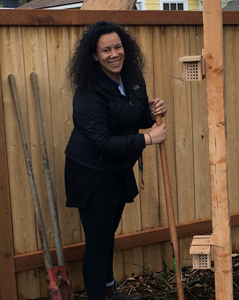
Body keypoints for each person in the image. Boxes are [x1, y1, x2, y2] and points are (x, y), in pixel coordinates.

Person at [64, 21, 167, 300]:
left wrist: (155, 109)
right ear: (95, 56)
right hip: (90, 173)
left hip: (117, 169)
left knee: (108, 236)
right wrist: (148, 139)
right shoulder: (88, 91)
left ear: (125, 47)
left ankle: (109, 294)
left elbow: (141, 119)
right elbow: (102, 142)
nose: (114, 54)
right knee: (98, 242)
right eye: (106, 50)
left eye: (118, 47)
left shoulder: (131, 78)